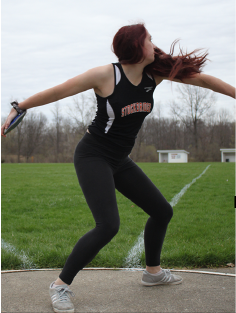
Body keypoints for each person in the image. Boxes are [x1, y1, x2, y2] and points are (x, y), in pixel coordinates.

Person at [1, 23, 235, 313]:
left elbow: (203, 81)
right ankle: (60, 285)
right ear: (137, 47)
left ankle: (153, 272)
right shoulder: (105, 75)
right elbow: (59, 91)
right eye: (149, 39)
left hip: (120, 159)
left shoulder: (154, 76)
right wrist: (19, 106)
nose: (154, 44)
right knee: (108, 225)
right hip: (93, 156)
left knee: (162, 211)